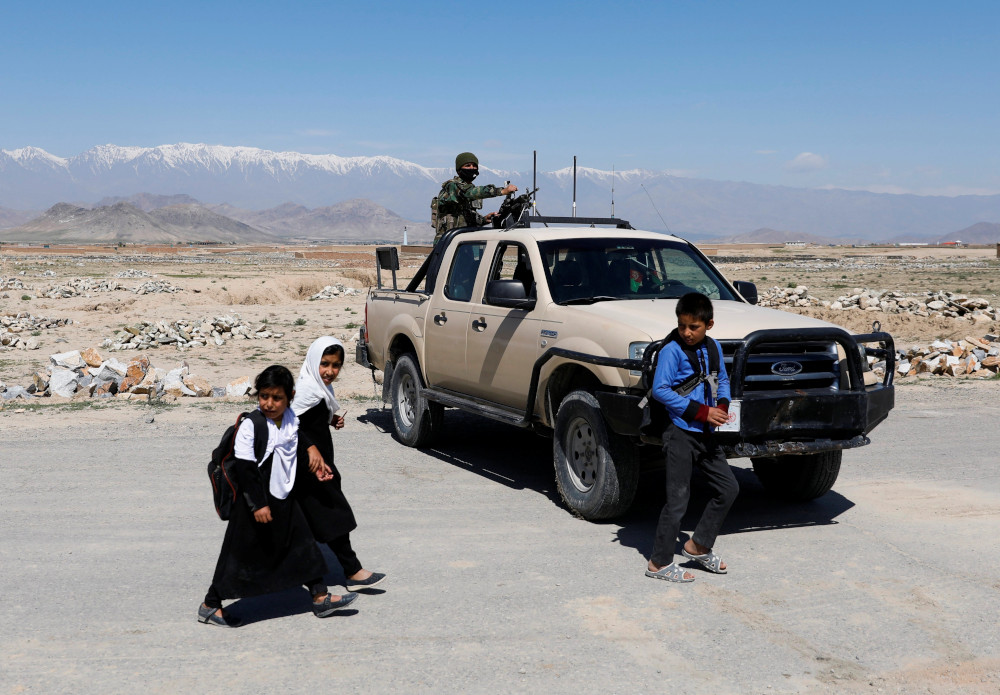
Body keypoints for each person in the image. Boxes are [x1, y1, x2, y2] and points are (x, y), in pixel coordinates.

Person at [199, 365, 358, 626]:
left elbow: (297, 438)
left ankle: (320, 597)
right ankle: (210, 604)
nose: (269, 403)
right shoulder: (251, 425)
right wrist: (258, 505)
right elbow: (246, 469)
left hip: (283, 498)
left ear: (290, 397)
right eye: (264, 396)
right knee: (238, 555)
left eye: (277, 398)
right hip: (254, 503)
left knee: (303, 543)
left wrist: (314, 456)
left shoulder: (289, 418)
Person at [646, 293, 739, 583]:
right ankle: (659, 563)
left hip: (706, 433)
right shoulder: (671, 351)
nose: (687, 332)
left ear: (709, 324)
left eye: (693, 327)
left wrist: (721, 407)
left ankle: (697, 546)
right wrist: (702, 412)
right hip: (679, 432)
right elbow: (661, 390)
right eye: (682, 325)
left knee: (728, 488)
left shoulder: (712, 347)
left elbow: (722, 379)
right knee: (678, 500)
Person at [293, 337, 386, 592]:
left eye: (336, 366)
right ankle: (352, 571)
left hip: (320, 464)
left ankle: (325, 582)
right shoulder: (306, 391)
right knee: (333, 514)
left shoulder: (318, 389)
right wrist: (311, 448)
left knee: (314, 521)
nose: (330, 371)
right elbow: (288, 425)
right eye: (324, 364)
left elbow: (311, 419)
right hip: (310, 468)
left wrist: (330, 419)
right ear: (314, 362)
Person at [432, 152, 518, 244]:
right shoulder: (453, 186)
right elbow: (469, 193)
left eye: (474, 166)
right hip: (447, 242)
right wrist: (502, 191)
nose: (472, 168)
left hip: (464, 242)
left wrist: (484, 219)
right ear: (458, 170)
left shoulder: (470, 188)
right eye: (467, 165)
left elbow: (466, 215)